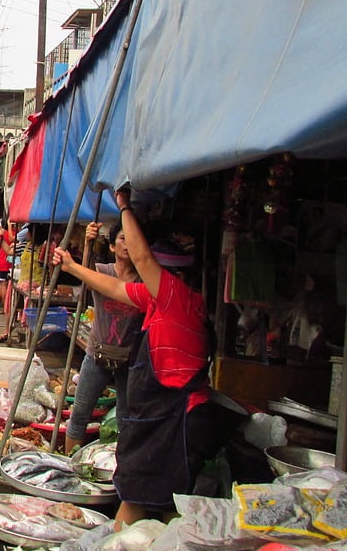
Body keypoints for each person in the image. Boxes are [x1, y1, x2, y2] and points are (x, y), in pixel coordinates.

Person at [52, 188, 243, 527]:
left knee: (142, 500)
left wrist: (124, 206)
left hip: (175, 420)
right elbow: (113, 287)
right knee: (160, 501)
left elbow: (141, 260)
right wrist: (72, 266)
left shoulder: (177, 297)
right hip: (161, 418)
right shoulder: (158, 299)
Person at [64, 221, 142, 454]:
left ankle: (121, 466)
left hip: (129, 359)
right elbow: (84, 272)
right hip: (97, 353)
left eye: (132, 239)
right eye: (122, 239)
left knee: (126, 420)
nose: (127, 244)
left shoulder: (143, 279)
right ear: (112, 246)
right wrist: (88, 242)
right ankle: (68, 463)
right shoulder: (103, 271)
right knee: (80, 415)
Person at [0, 216, 14, 341]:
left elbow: (1, 232)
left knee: (3, 284)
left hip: (4, 262)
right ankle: (1, 302)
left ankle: (3, 303)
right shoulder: (11, 234)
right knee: (3, 284)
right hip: (6, 262)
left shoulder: (7, 234)